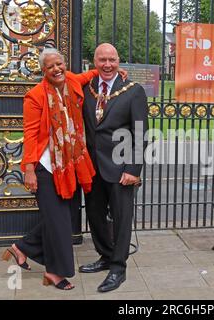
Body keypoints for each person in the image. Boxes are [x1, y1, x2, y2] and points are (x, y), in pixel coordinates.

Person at [1, 48, 98, 290]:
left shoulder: (73, 80)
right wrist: (30, 170)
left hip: (69, 165)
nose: (57, 69)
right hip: (46, 168)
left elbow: (90, 75)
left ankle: (20, 249)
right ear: (44, 71)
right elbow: (31, 135)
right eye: (51, 67)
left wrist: (112, 69)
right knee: (60, 224)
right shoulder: (35, 96)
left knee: (60, 219)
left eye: (60, 64)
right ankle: (55, 273)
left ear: (65, 64)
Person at [79, 43, 148, 293]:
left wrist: (133, 169)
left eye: (112, 59)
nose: (107, 64)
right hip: (91, 168)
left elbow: (140, 134)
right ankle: (106, 256)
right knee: (95, 216)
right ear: (94, 62)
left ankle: (118, 268)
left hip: (121, 169)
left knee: (121, 219)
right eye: (102, 60)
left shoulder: (133, 91)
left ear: (119, 61)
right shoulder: (85, 89)